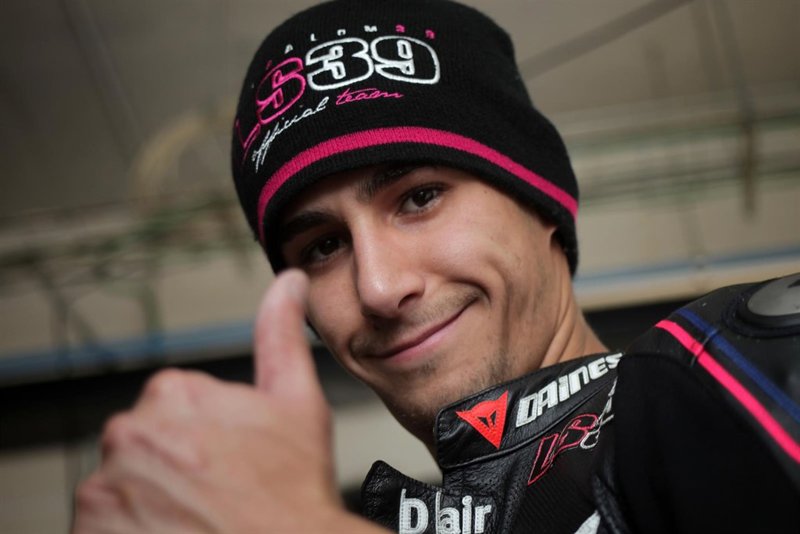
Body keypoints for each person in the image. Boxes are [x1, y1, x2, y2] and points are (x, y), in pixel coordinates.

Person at [73, 1, 799, 532]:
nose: (378, 287)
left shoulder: (729, 376)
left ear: (541, 201)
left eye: (419, 197)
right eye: (322, 246)